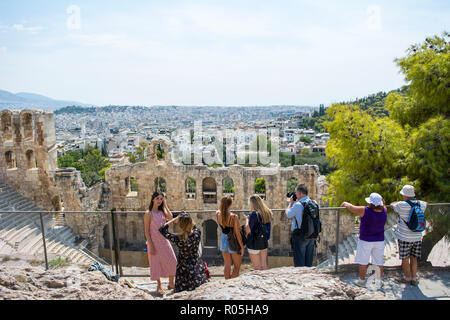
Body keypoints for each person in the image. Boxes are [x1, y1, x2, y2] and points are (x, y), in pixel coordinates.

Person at [341, 193, 387, 288]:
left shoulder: (365, 210)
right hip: (379, 240)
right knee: (379, 262)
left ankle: (362, 281)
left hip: (366, 240)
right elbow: (384, 204)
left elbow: (352, 208)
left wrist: (345, 203)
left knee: (363, 261)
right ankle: (378, 281)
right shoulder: (384, 210)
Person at [159, 212, 209, 293]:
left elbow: (162, 230)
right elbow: (194, 226)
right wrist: (186, 216)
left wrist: (174, 219)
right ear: (190, 222)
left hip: (183, 269)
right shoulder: (197, 233)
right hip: (196, 267)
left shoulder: (178, 238)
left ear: (180, 225)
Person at [390, 185, 428, 286]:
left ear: (404, 195)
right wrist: (416, 201)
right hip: (417, 236)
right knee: (414, 258)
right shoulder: (421, 205)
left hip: (404, 237)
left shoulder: (401, 205)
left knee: (405, 258)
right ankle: (414, 278)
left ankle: (407, 278)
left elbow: (391, 205)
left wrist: (398, 202)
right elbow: (426, 203)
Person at [144, 191, 177, 295]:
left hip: (164, 239)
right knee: (156, 263)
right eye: (157, 198)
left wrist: (165, 204)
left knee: (172, 260)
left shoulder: (162, 211)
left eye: (161, 199)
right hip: (153, 241)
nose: (159, 201)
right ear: (153, 199)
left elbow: (171, 217)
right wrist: (151, 245)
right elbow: (146, 231)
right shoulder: (148, 213)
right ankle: (159, 285)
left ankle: (171, 283)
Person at [286, 185, 317, 267]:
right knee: (308, 262)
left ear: (299, 193)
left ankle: (302, 279)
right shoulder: (313, 203)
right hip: (311, 235)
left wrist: (290, 203)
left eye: (296, 193)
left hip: (300, 236)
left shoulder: (298, 205)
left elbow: (288, 214)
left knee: (299, 262)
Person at [216, 195, 244, 279]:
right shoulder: (234, 217)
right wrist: (242, 246)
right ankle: (232, 285)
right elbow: (237, 233)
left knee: (227, 265)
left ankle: (227, 284)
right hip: (233, 241)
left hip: (224, 238)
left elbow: (219, 210)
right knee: (237, 266)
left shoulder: (218, 214)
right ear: (230, 204)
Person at [245, 195, 273, 270]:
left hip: (254, 242)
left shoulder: (254, 214)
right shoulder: (267, 212)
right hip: (264, 241)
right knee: (264, 265)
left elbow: (248, 229)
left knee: (257, 267)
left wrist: (247, 219)